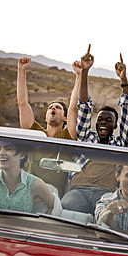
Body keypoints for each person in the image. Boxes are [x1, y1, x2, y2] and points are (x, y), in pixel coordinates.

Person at [61, 48, 128, 215]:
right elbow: (84, 105)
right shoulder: (87, 138)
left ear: (115, 126)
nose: (103, 123)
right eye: (100, 119)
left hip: (106, 194)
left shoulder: (120, 143)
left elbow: (127, 111)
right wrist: (85, 71)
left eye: (109, 121)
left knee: (111, 216)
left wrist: (123, 80)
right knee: (66, 205)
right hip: (80, 191)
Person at [17, 57, 82, 197]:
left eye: (58, 108)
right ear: (46, 116)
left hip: (52, 196)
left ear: (65, 118)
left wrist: (79, 75)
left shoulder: (68, 136)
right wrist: (21, 71)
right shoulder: (35, 132)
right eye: (50, 107)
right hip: (26, 191)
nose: (53, 108)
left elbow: (73, 108)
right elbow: (22, 103)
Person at [0, 142, 54, 214]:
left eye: (8, 149)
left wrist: (38, 224)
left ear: (22, 154)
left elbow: (54, 207)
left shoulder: (35, 184)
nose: (1, 153)